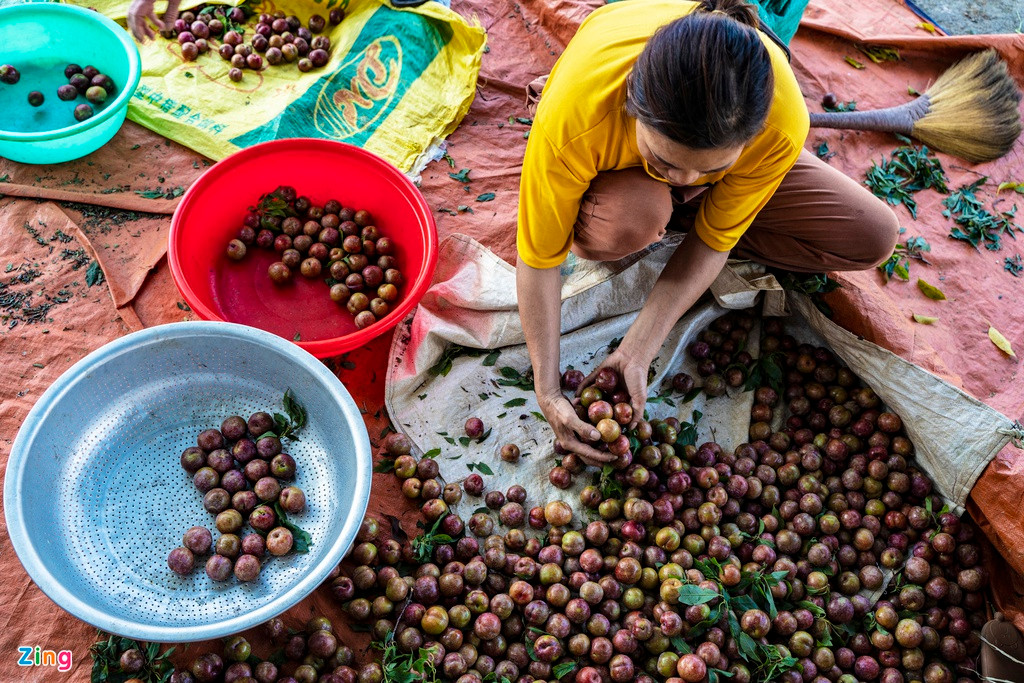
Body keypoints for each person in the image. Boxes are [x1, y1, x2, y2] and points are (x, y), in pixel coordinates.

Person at [517, 0, 900, 466]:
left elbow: (713, 242)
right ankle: (649, 198)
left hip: (719, 161)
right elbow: (539, 259)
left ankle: (694, 195)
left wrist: (638, 352)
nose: (683, 180)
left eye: (711, 168)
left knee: (873, 236)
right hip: (612, 164)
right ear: (633, 109)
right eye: (664, 161)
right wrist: (548, 387)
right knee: (631, 219)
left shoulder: (779, 121)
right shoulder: (579, 112)